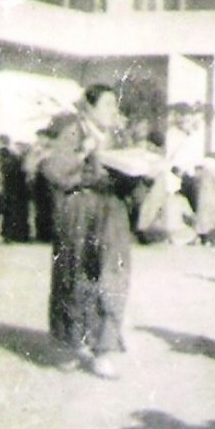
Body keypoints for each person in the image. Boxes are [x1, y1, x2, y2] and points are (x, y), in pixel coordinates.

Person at [39, 85, 133, 379]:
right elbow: (53, 170)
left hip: (113, 212)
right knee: (76, 274)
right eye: (105, 105)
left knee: (113, 277)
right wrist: (83, 154)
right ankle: (74, 343)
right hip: (79, 209)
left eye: (114, 106)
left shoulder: (119, 137)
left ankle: (103, 350)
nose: (111, 112)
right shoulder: (74, 131)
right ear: (89, 107)